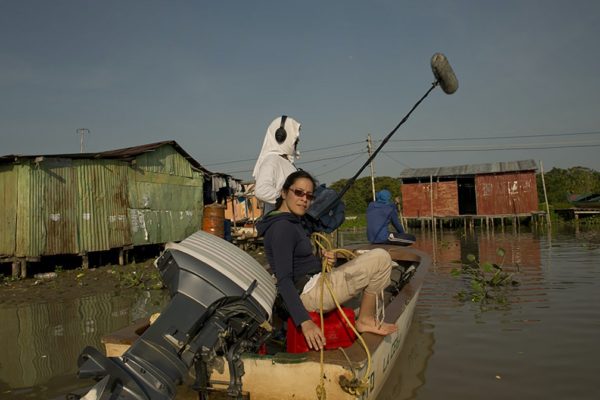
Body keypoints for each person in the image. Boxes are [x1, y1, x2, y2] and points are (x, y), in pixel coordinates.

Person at [256, 171, 397, 351]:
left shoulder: (293, 222)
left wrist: (322, 261)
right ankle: (365, 320)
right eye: (298, 192)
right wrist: (304, 321)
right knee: (381, 258)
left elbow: (297, 262)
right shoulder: (282, 227)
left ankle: (363, 318)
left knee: (373, 265)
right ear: (284, 193)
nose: (304, 199)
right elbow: (284, 279)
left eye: (309, 195)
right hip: (310, 293)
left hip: (314, 283)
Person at [252, 115, 301, 215]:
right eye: (295, 138)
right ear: (281, 136)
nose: (297, 141)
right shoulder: (272, 160)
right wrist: (288, 199)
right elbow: (261, 190)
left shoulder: (286, 162)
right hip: (280, 224)